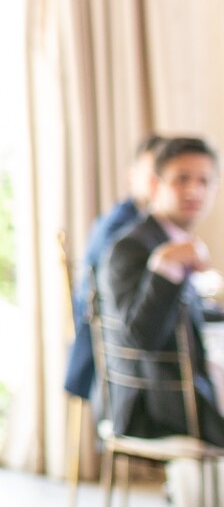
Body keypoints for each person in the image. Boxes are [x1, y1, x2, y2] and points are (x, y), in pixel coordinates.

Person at [98, 135, 224, 444]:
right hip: (155, 404)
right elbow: (140, 337)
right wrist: (165, 267)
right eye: (182, 179)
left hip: (183, 391)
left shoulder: (174, 241)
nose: (194, 190)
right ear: (155, 185)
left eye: (204, 182)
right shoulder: (132, 247)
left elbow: (181, 315)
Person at [64, 135, 162, 403]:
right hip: (110, 357)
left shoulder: (137, 221)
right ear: (132, 176)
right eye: (154, 174)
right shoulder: (124, 231)